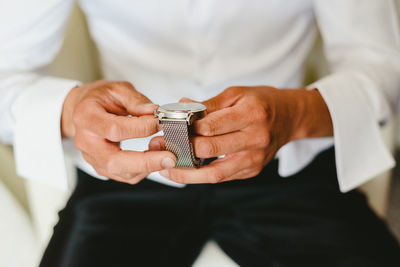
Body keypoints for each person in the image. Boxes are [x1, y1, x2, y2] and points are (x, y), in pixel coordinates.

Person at [1, 0, 400, 266]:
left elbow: (383, 65)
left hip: (287, 162)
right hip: (129, 174)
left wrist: (295, 115)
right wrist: (71, 112)